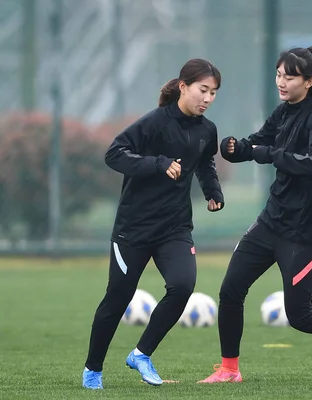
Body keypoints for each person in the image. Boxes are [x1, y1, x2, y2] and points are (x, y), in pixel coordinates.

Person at [197, 46, 312, 384]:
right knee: (231, 290)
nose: (281, 81)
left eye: (289, 76)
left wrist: (268, 153)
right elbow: (257, 146)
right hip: (270, 222)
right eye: (279, 74)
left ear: (308, 81)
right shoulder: (283, 112)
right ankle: (229, 370)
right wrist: (234, 148)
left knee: (299, 316)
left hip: (303, 232)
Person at [82, 58, 225, 390]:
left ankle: (141, 354)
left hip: (175, 226)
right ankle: (93, 370)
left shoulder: (207, 130)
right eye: (202, 90)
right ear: (183, 86)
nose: (207, 98)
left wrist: (213, 191)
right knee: (118, 298)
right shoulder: (153, 123)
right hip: (133, 228)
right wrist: (158, 164)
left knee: (183, 285)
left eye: (213, 93)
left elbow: (205, 163)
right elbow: (114, 154)